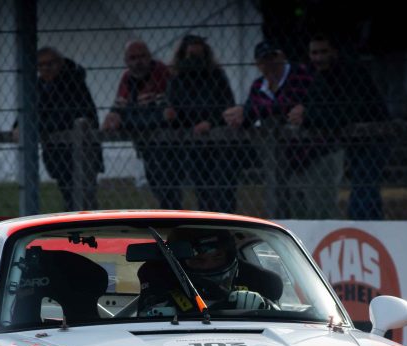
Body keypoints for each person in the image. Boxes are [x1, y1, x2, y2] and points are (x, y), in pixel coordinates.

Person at [301, 33, 389, 219]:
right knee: (363, 188)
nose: (318, 58)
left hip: (373, 139)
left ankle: (366, 228)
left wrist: (307, 115)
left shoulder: (351, 74)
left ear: (334, 52)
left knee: (364, 190)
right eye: (314, 53)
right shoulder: (319, 77)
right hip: (352, 141)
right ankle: (368, 227)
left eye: (323, 52)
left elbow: (343, 114)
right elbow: (321, 110)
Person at [222, 41, 313, 217]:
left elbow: (287, 105)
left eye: (273, 58)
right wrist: (238, 115)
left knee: (308, 201)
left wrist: (255, 111)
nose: (270, 65)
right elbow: (250, 113)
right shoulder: (259, 86)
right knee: (279, 198)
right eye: (264, 61)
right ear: (258, 64)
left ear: (282, 57)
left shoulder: (299, 75)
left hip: (309, 152)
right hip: (277, 156)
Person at [15, 47, 102, 211]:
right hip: (57, 152)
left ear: (60, 63)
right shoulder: (39, 86)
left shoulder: (72, 83)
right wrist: (19, 125)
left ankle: (85, 228)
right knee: (69, 194)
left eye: (50, 63)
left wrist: (32, 126)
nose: (46, 68)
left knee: (83, 196)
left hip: (82, 151)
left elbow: (64, 117)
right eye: (41, 65)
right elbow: (27, 110)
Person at [101, 40, 178, 209]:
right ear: (126, 61)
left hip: (167, 144)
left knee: (168, 186)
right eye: (133, 58)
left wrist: (129, 118)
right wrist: (115, 117)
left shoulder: (161, 73)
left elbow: (166, 114)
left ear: (149, 56)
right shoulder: (127, 78)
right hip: (145, 142)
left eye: (142, 56)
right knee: (156, 183)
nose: (138, 62)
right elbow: (119, 109)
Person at [164, 35, 237, 213]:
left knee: (223, 188)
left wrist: (211, 122)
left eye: (198, 54)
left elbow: (227, 105)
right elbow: (174, 109)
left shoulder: (216, 75)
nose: (195, 59)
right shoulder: (177, 78)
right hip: (192, 141)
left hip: (218, 141)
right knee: (202, 189)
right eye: (191, 55)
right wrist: (172, 116)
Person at [137, 228, 282, 316]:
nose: (209, 265)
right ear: (179, 262)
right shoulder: (159, 293)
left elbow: (282, 321)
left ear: (229, 256)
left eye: (217, 257)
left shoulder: (256, 284)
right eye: (199, 260)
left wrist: (264, 307)